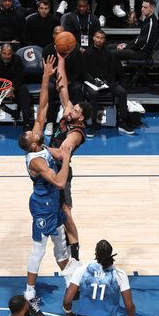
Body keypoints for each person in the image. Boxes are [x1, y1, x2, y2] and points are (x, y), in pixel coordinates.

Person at [17, 55, 75, 316]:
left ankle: (71, 286)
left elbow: (42, 106)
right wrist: (67, 154)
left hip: (52, 203)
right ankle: (29, 295)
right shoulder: (38, 160)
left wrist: (45, 76)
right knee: (38, 251)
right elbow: (60, 181)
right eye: (31, 133)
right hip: (42, 205)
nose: (34, 129)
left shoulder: (38, 138)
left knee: (61, 245)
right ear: (31, 144)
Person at [48, 54, 90, 264]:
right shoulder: (68, 114)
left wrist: (39, 147)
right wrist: (62, 59)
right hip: (50, 166)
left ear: (81, 117)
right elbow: (63, 86)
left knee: (66, 212)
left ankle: (75, 255)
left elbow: (61, 153)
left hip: (61, 169)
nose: (71, 109)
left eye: (75, 110)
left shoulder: (76, 133)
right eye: (73, 108)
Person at [82, 29, 134, 136]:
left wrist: (106, 81)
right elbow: (84, 72)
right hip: (92, 82)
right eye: (97, 37)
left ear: (104, 40)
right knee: (93, 94)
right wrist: (94, 81)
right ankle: (93, 124)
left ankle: (123, 121)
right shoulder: (87, 53)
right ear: (93, 38)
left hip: (107, 81)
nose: (99, 40)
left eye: (101, 38)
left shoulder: (110, 53)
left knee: (122, 92)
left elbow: (113, 70)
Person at [0, 44, 25, 137]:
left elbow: (20, 77)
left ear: (12, 53)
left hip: (13, 87)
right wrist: (2, 90)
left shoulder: (17, 59)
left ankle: (26, 123)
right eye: (4, 53)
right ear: (0, 52)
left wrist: (13, 88)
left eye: (9, 54)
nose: (7, 56)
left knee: (24, 90)